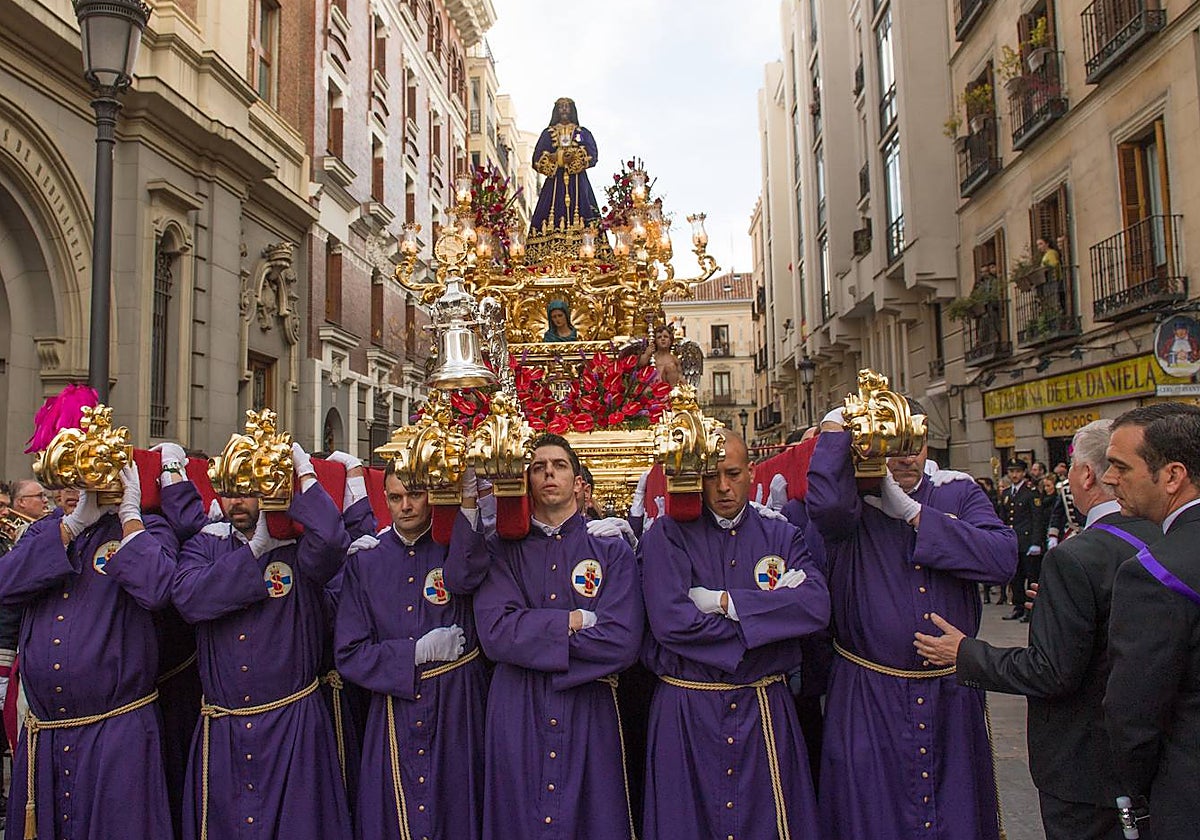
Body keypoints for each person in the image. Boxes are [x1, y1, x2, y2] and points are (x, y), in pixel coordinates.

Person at [913, 419, 1160, 840]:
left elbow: (1051, 672)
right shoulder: (1162, 536)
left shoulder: (1075, 556)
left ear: (1084, 475)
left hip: (1087, 767)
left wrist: (965, 653)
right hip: (1155, 758)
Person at [806, 403, 1017, 840]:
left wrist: (915, 515)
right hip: (869, 693)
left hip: (948, 694)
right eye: (893, 445)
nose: (905, 457)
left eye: (914, 445)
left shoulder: (957, 493)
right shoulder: (853, 501)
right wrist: (833, 430)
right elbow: (824, 507)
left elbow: (1002, 559)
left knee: (953, 817)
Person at [639, 430, 830, 838]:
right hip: (688, 708)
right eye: (712, 475)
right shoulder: (668, 534)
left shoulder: (779, 533)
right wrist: (769, 627)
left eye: (733, 473)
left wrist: (724, 602)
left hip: (762, 706)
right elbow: (672, 622)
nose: (723, 487)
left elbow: (815, 607)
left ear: (752, 472)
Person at [171, 442, 353, 840]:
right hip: (225, 727)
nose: (237, 501)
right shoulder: (206, 544)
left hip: (294, 724)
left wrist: (304, 476)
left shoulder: (300, 548)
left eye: (248, 489)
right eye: (229, 490)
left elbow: (334, 541)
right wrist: (254, 552)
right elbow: (188, 599)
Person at [469, 433, 643, 840]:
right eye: (538, 466)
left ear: (579, 481)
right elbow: (495, 633)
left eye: (560, 465)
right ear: (526, 480)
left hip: (588, 705)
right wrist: (577, 621)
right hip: (517, 709)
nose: (549, 472)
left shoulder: (610, 550)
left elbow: (622, 641)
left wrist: (532, 632)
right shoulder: (501, 550)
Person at [0, 465, 178, 839]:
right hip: (47, 734)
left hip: (117, 730)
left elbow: (158, 588)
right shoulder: (46, 532)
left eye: (82, 482)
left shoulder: (147, 529)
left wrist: (129, 516)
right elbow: (6, 584)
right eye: (64, 484)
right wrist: (72, 528)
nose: (71, 493)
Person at [334, 464, 489, 840]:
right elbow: (349, 653)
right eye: (395, 497)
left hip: (457, 708)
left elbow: (467, 575)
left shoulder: (454, 546)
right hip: (393, 712)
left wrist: (467, 503)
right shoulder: (366, 561)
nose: (405, 506)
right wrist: (413, 653)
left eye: (414, 495)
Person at [1102, 403, 1200, 836]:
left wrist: (1136, 792)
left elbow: (1133, 715)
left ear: (1173, 475)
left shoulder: (1154, 573)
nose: (1109, 479)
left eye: (1122, 467)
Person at [529, 97, 600, 233]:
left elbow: (593, 154)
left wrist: (575, 157)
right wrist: (556, 158)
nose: (564, 109)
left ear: (572, 110)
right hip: (554, 183)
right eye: (561, 107)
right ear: (556, 110)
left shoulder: (582, 133)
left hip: (578, 182)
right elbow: (536, 159)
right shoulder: (547, 133)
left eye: (567, 106)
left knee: (585, 214)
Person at [997, 458, 1047, 621]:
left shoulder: (1031, 491)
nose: (1014, 475)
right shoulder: (1006, 493)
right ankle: (1018, 606)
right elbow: (1003, 520)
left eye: (1017, 471)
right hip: (1013, 543)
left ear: (1024, 473)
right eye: (1011, 471)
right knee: (1016, 577)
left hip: (1027, 541)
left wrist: (1036, 542)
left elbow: (1037, 519)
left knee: (1031, 577)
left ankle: (1031, 609)